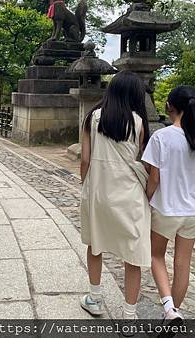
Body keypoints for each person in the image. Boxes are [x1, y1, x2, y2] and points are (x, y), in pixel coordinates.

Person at [141, 85, 195, 325]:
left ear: (170, 107)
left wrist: (145, 199)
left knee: (156, 256)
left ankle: (168, 307)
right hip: (193, 212)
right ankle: (172, 313)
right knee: (183, 264)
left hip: (166, 209)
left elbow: (154, 177)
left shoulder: (161, 137)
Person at [79, 70, 151, 322]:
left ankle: (95, 298)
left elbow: (85, 159)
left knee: (95, 244)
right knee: (133, 255)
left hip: (99, 191)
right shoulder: (139, 123)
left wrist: (84, 186)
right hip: (129, 196)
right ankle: (129, 315)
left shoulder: (92, 118)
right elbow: (140, 159)